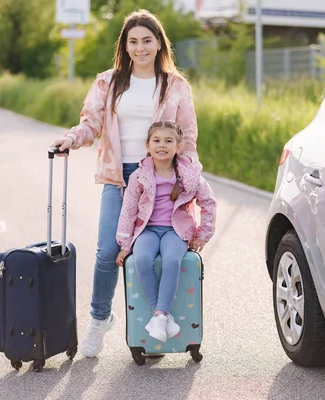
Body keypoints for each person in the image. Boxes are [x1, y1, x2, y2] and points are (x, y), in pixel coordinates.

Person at [49, 9, 200, 358]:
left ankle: (155, 326)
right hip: (120, 177)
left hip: (161, 178)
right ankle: (100, 320)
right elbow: (90, 122)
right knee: (107, 251)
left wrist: (189, 177)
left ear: (159, 42)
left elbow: (188, 136)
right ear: (125, 45)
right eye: (133, 41)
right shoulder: (109, 81)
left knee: (158, 251)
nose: (140, 47)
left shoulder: (175, 85)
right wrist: (72, 138)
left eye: (147, 40)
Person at [115, 121, 217, 343]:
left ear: (178, 147)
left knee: (172, 261)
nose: (162, 145)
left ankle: (159, 315)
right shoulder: (139, 176)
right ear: (148, 145)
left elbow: (208, 202)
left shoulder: (189, 175)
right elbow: (128, 211)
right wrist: (125, 245)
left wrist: (202, 234)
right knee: (141, 259)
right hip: (147, 230)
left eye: (169, 141)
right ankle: (160, 315)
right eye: (157, 140)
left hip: (176, 230)